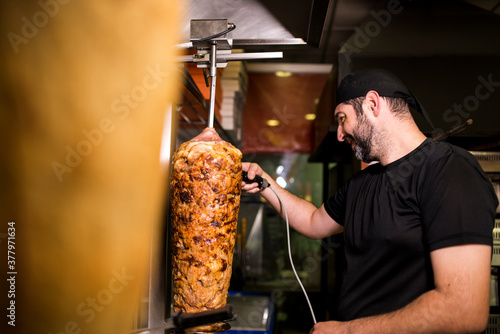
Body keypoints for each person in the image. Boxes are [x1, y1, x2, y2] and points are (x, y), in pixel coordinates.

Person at [242, 69, 499, 334]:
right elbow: (312, 222)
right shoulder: (361, 183)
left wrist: (346, 331)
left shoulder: (449, 170)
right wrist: (264, 182)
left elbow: (463, 310)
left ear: (373, 104)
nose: (340, 134)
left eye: (343, 119)